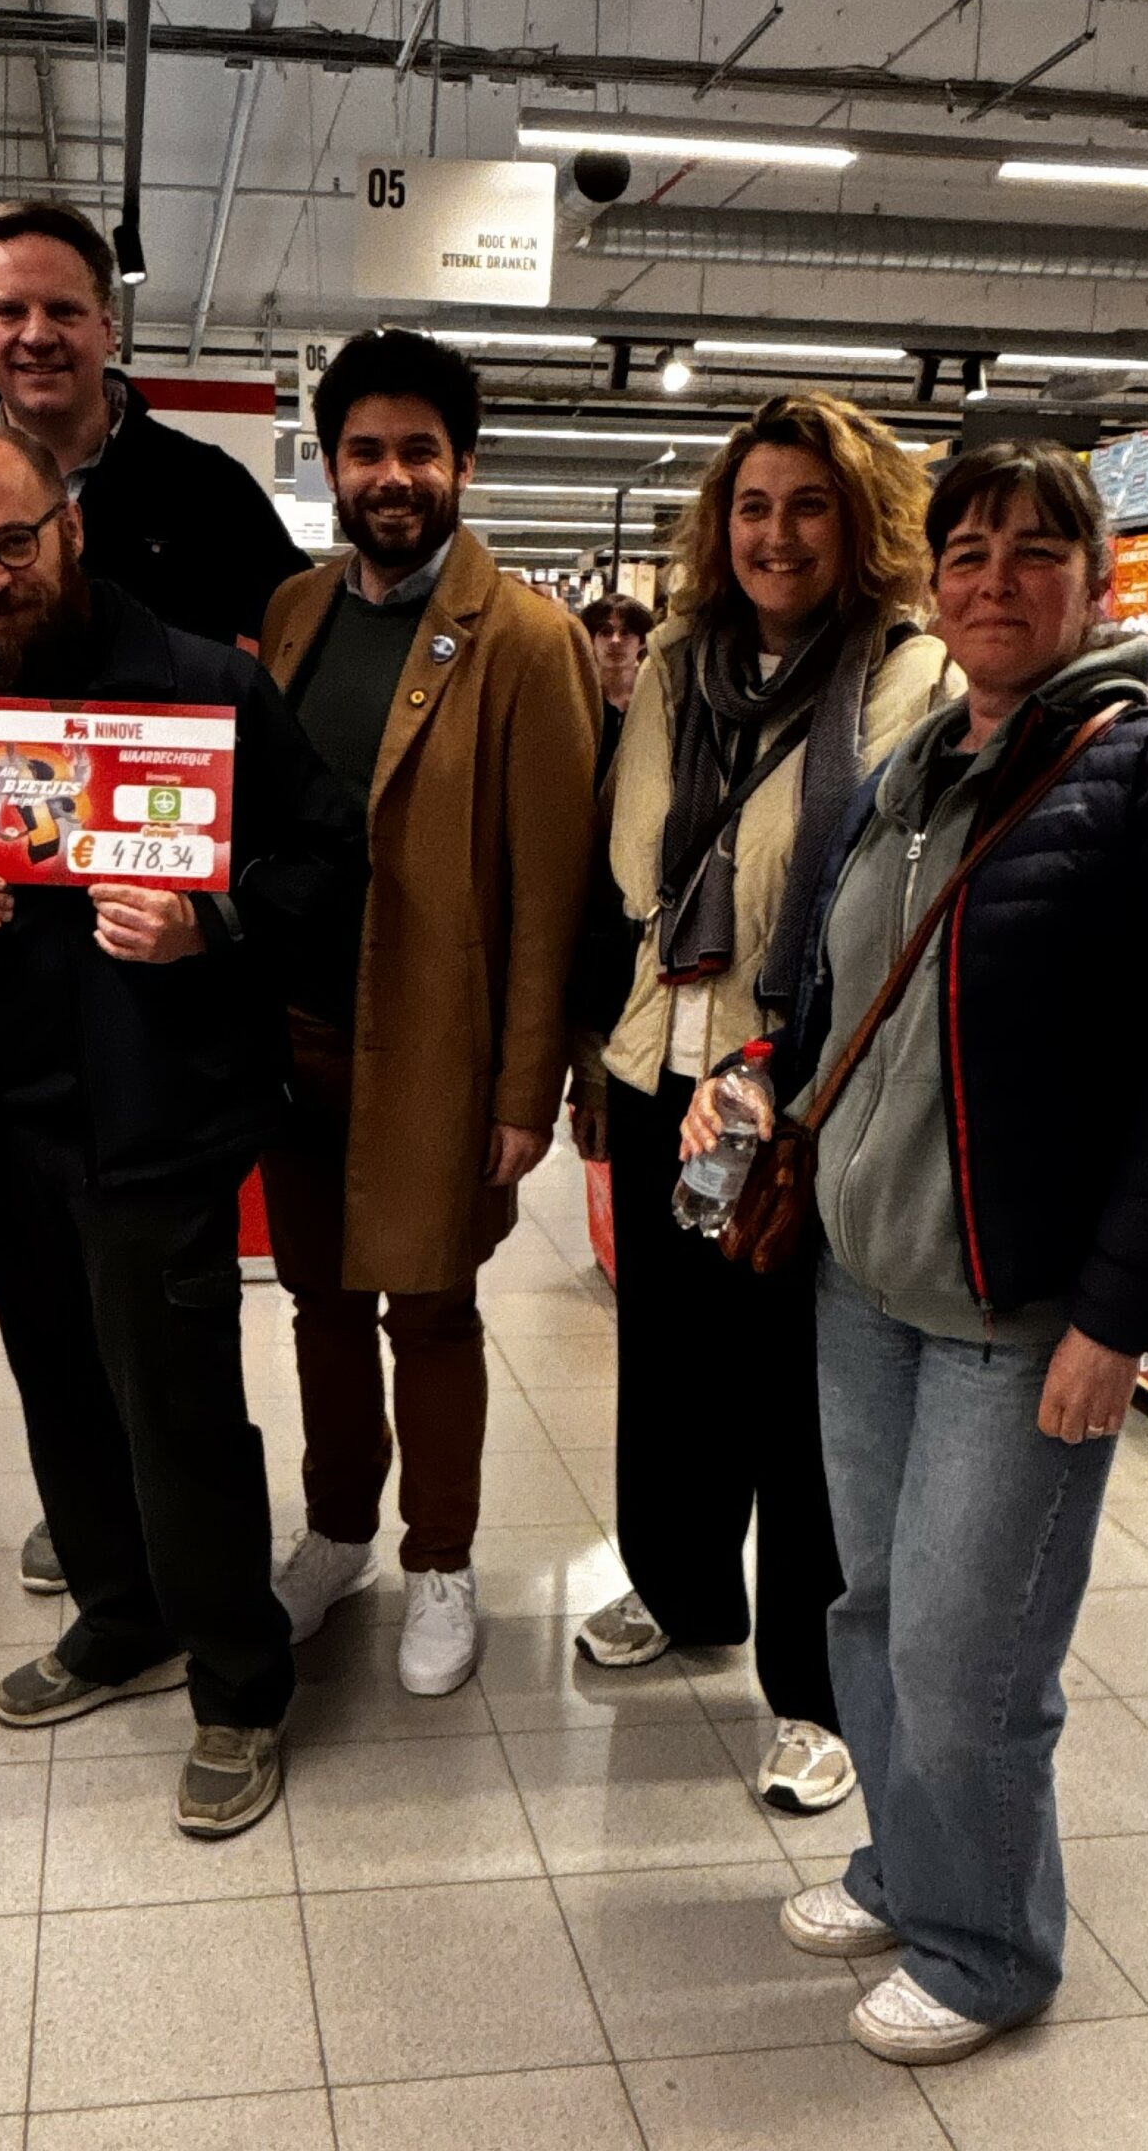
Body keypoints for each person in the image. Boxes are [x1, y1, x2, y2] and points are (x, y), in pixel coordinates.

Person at [705, 437, 1148, 2061]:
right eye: (964, 552)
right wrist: (756, 1083)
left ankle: (987, 1950)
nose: (992, 580)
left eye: (1034, 551)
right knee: (871, 1616)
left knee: (970, 1657)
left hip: (1016, 1313)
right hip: (862, 1288)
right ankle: (907, 1870)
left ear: (1093, 583)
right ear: (930, 581)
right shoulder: (906, 776)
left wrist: (1119, 1319)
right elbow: (837, 1003)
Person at [0, 423, 362, 1838]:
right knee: (62, 1403)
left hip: (158, 1126)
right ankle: (120, 1615)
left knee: (181, 1422)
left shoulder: (208, 689)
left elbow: (331, 862)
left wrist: (216, 921)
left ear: (69, 528)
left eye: (13, 541)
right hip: (12, 1131)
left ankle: (239, 1685)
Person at [0, 197, 306, 1594]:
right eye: (6, 312)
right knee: (58, 1361)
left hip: (157, 1021)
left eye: (61, 309)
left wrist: (218, 875)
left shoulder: (199, 494)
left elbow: (294, 649)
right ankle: (113, 1578)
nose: (34, 335)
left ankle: (215, 1622)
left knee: (175, 1376)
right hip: (14, 1013)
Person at [572, 393, 951, 1813]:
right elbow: (630, 863)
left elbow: (877, 894)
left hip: (802, 1087)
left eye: (808, 506)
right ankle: (679, 1590)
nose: (776, 535)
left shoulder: (908, 673)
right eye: (752, 507)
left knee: (802, 1398)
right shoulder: (679, 665)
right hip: (660, 1068)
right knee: (669, 1363)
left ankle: (815, 1689)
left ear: (861, 522)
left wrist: (774, 1056)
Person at [257, 329, 601, 1697]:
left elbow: (553, 891)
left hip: (438, 1041)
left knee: (433, 1308)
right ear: (329, 466)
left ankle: (441, 1558)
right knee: (320, 1305)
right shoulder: (295, 613)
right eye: (364, 451)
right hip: (295, 1033)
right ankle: (339, 1530)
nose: (390, 476)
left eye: (418, 450)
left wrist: (526, 1090)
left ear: (462, 464)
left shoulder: (526, 638)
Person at [581, 590, 652, 783]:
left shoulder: (652, 697)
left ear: (642, 641)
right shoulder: (579, 697)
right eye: (605, 632)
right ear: (591, 639)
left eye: (626, 633)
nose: (615, 640)